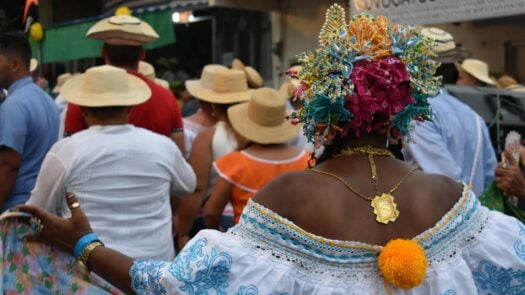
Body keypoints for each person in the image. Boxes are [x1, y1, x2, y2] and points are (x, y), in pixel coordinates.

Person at [18, 6, 525, 294]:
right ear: (400, 116)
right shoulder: (454, 198)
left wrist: (85, 245)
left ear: (318, 116)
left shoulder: (291, 195)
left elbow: (179, 286)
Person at [27, 65, 196, 261]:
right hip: (152, 274)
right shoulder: (163, 146)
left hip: (88, 274)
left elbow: (38, 210)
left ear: (83, 110)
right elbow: (188, 185)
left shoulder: (66, 151)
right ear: (130, 108)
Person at [64, 15, 185, 151]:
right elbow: (179, 153)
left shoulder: (83, 96)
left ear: (103, 52)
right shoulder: (166, 98)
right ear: (142, 55)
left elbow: (69, 150)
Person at [402, 28, 497, 196]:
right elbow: (490, 178)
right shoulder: (474, 117)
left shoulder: (417, 115)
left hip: (442, 218)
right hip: (477, 216)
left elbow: (445, 182)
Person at [204, 87, 309, 226]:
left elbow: (211, 213)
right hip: (291, 243)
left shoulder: (235, 163)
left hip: (244, 243)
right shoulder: (307, 160)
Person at [176, 64, 251, 248]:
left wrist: (183, 232)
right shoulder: (261, 134)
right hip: (259, 220)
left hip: (219, 220)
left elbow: (198, 189)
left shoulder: (209, 136)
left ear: (213, 105)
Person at [0, 33, 59, 211]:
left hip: (17, 210)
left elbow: (8, 165)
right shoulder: (46, 99)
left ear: (15, 64)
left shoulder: (13, 105)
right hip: (42, 205)